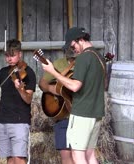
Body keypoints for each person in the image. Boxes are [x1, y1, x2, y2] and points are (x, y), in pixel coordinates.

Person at [41, 27, 105, 164]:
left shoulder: (83, 57)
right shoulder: (99, 57)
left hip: (82, 113)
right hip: (97, 113)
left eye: (73, 45)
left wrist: (53, 72)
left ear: (80, 40)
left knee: (77, 156)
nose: (73, 49)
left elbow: (75, 86)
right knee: (90, 156)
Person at [38, 48, 75, 164]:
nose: (72, 50)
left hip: (80, 116)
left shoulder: (85, 65)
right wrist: (52, 89)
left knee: (78, 155)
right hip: (62, 115)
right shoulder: (59, 64)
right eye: (70, 47)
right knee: (65, 155)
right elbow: (42, 83)